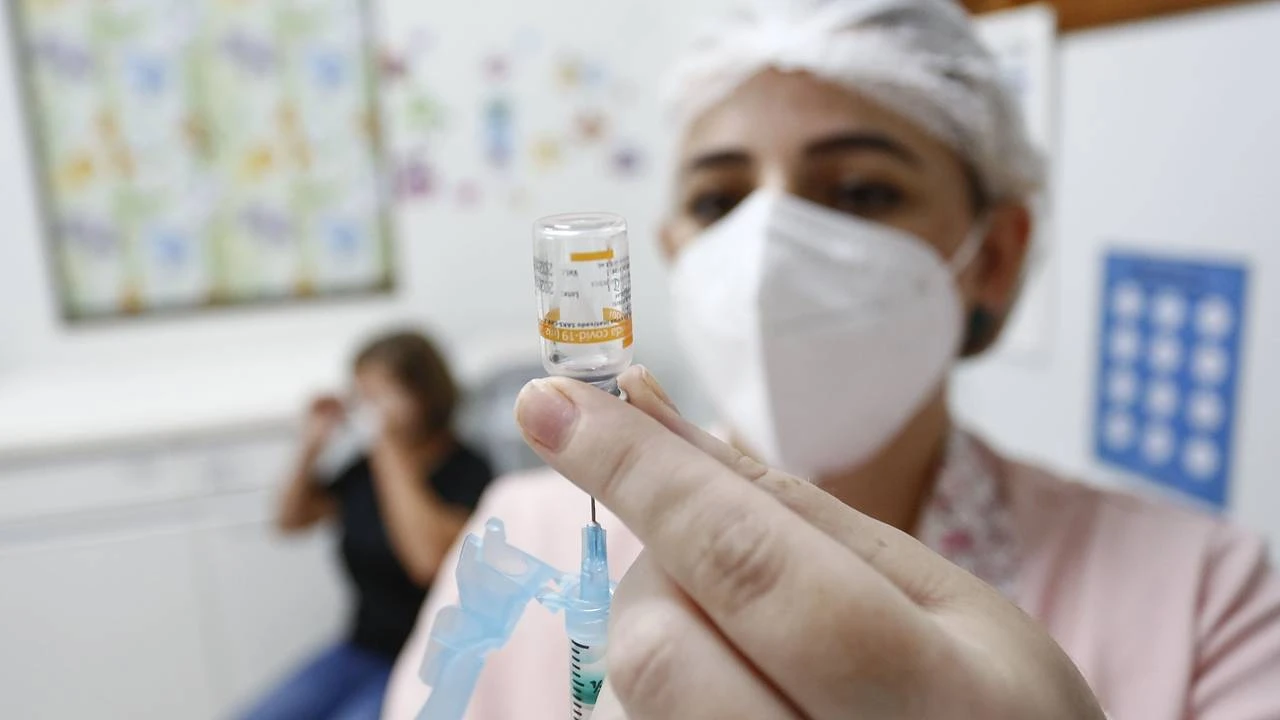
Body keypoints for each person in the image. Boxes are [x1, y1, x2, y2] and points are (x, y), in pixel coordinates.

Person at [383, 1, 1280, 718]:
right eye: (719, 200)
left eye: (859, 190)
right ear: (672, 251)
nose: (768, 253)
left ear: (995, 255)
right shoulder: (525, 536)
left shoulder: (1205, 598)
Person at [241, 330, 494, 720]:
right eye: (363, 397)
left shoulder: (468, 470)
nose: (369, 410)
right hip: (362, 648)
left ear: (422, 394)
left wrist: (387, 447)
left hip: (427, 659)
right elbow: (290, 520)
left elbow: (426, 562)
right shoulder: (365, 469)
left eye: (380, 396)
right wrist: (312, 444)